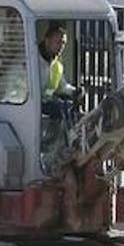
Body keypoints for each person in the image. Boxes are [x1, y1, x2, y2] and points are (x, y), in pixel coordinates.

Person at [37, 21, 79, 167]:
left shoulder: (56, 65)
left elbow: (62, 87)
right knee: (59, 109)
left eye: (63, 43)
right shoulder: (33, 61)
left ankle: (70, 147)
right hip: (29, 105)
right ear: (47, 40)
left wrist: (75, 92)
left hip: (46, 104)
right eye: (58, 42)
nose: (61, 46)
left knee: (70, 109)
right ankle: (52, 150)